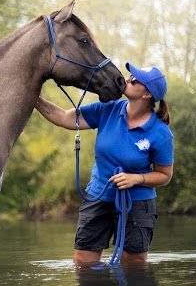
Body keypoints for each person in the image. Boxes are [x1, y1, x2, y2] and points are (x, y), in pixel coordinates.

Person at [35, 63, 174, 266]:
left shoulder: (160, 132)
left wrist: (137, 178)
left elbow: (165, 175)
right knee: (83, 263)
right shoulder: (108, 109)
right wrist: (33, 97)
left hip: (137, 204)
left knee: (134, 265)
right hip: (98, 196)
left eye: (135, 79)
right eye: (130, 75)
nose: (128, 79)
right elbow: (64, 117)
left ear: (147, 94)